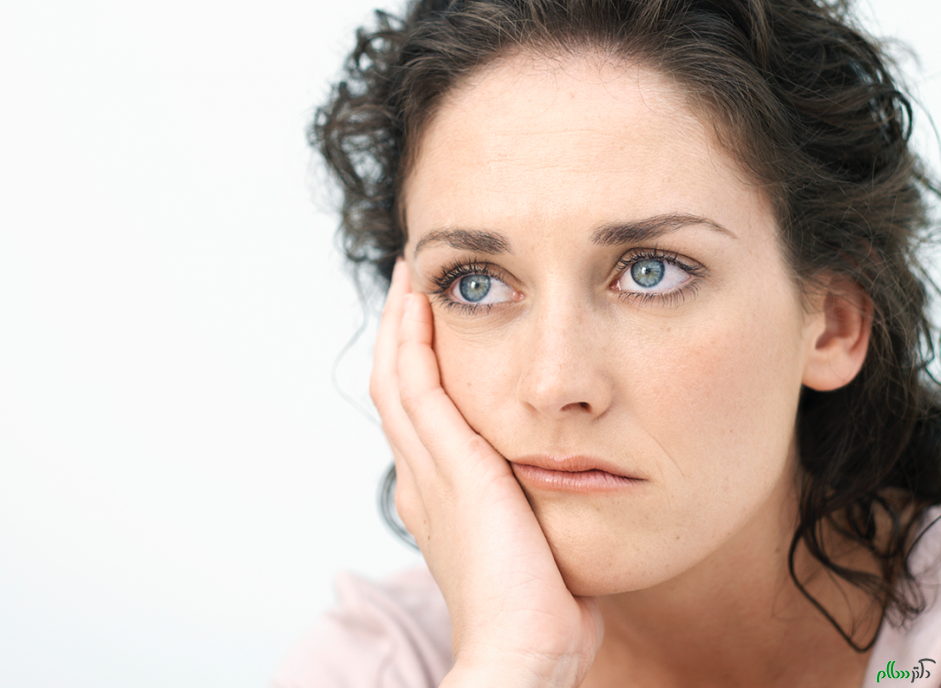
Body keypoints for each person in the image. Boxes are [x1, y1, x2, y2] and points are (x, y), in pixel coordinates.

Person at [275, 0, 941, 685]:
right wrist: (515, 661)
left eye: (652, 272)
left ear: (834, 322)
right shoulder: (378, 664)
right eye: (475, 284)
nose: (555, 383)